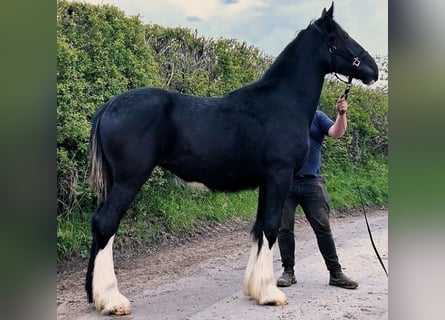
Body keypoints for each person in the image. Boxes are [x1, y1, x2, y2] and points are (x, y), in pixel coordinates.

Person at [276, 97, 358, 289]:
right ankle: (288, 272)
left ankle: (335, 273)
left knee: (323, 229)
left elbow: (336, 133)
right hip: (285, 183)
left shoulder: (318, 117)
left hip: (312, 182)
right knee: (284, 229)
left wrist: (341, 114)